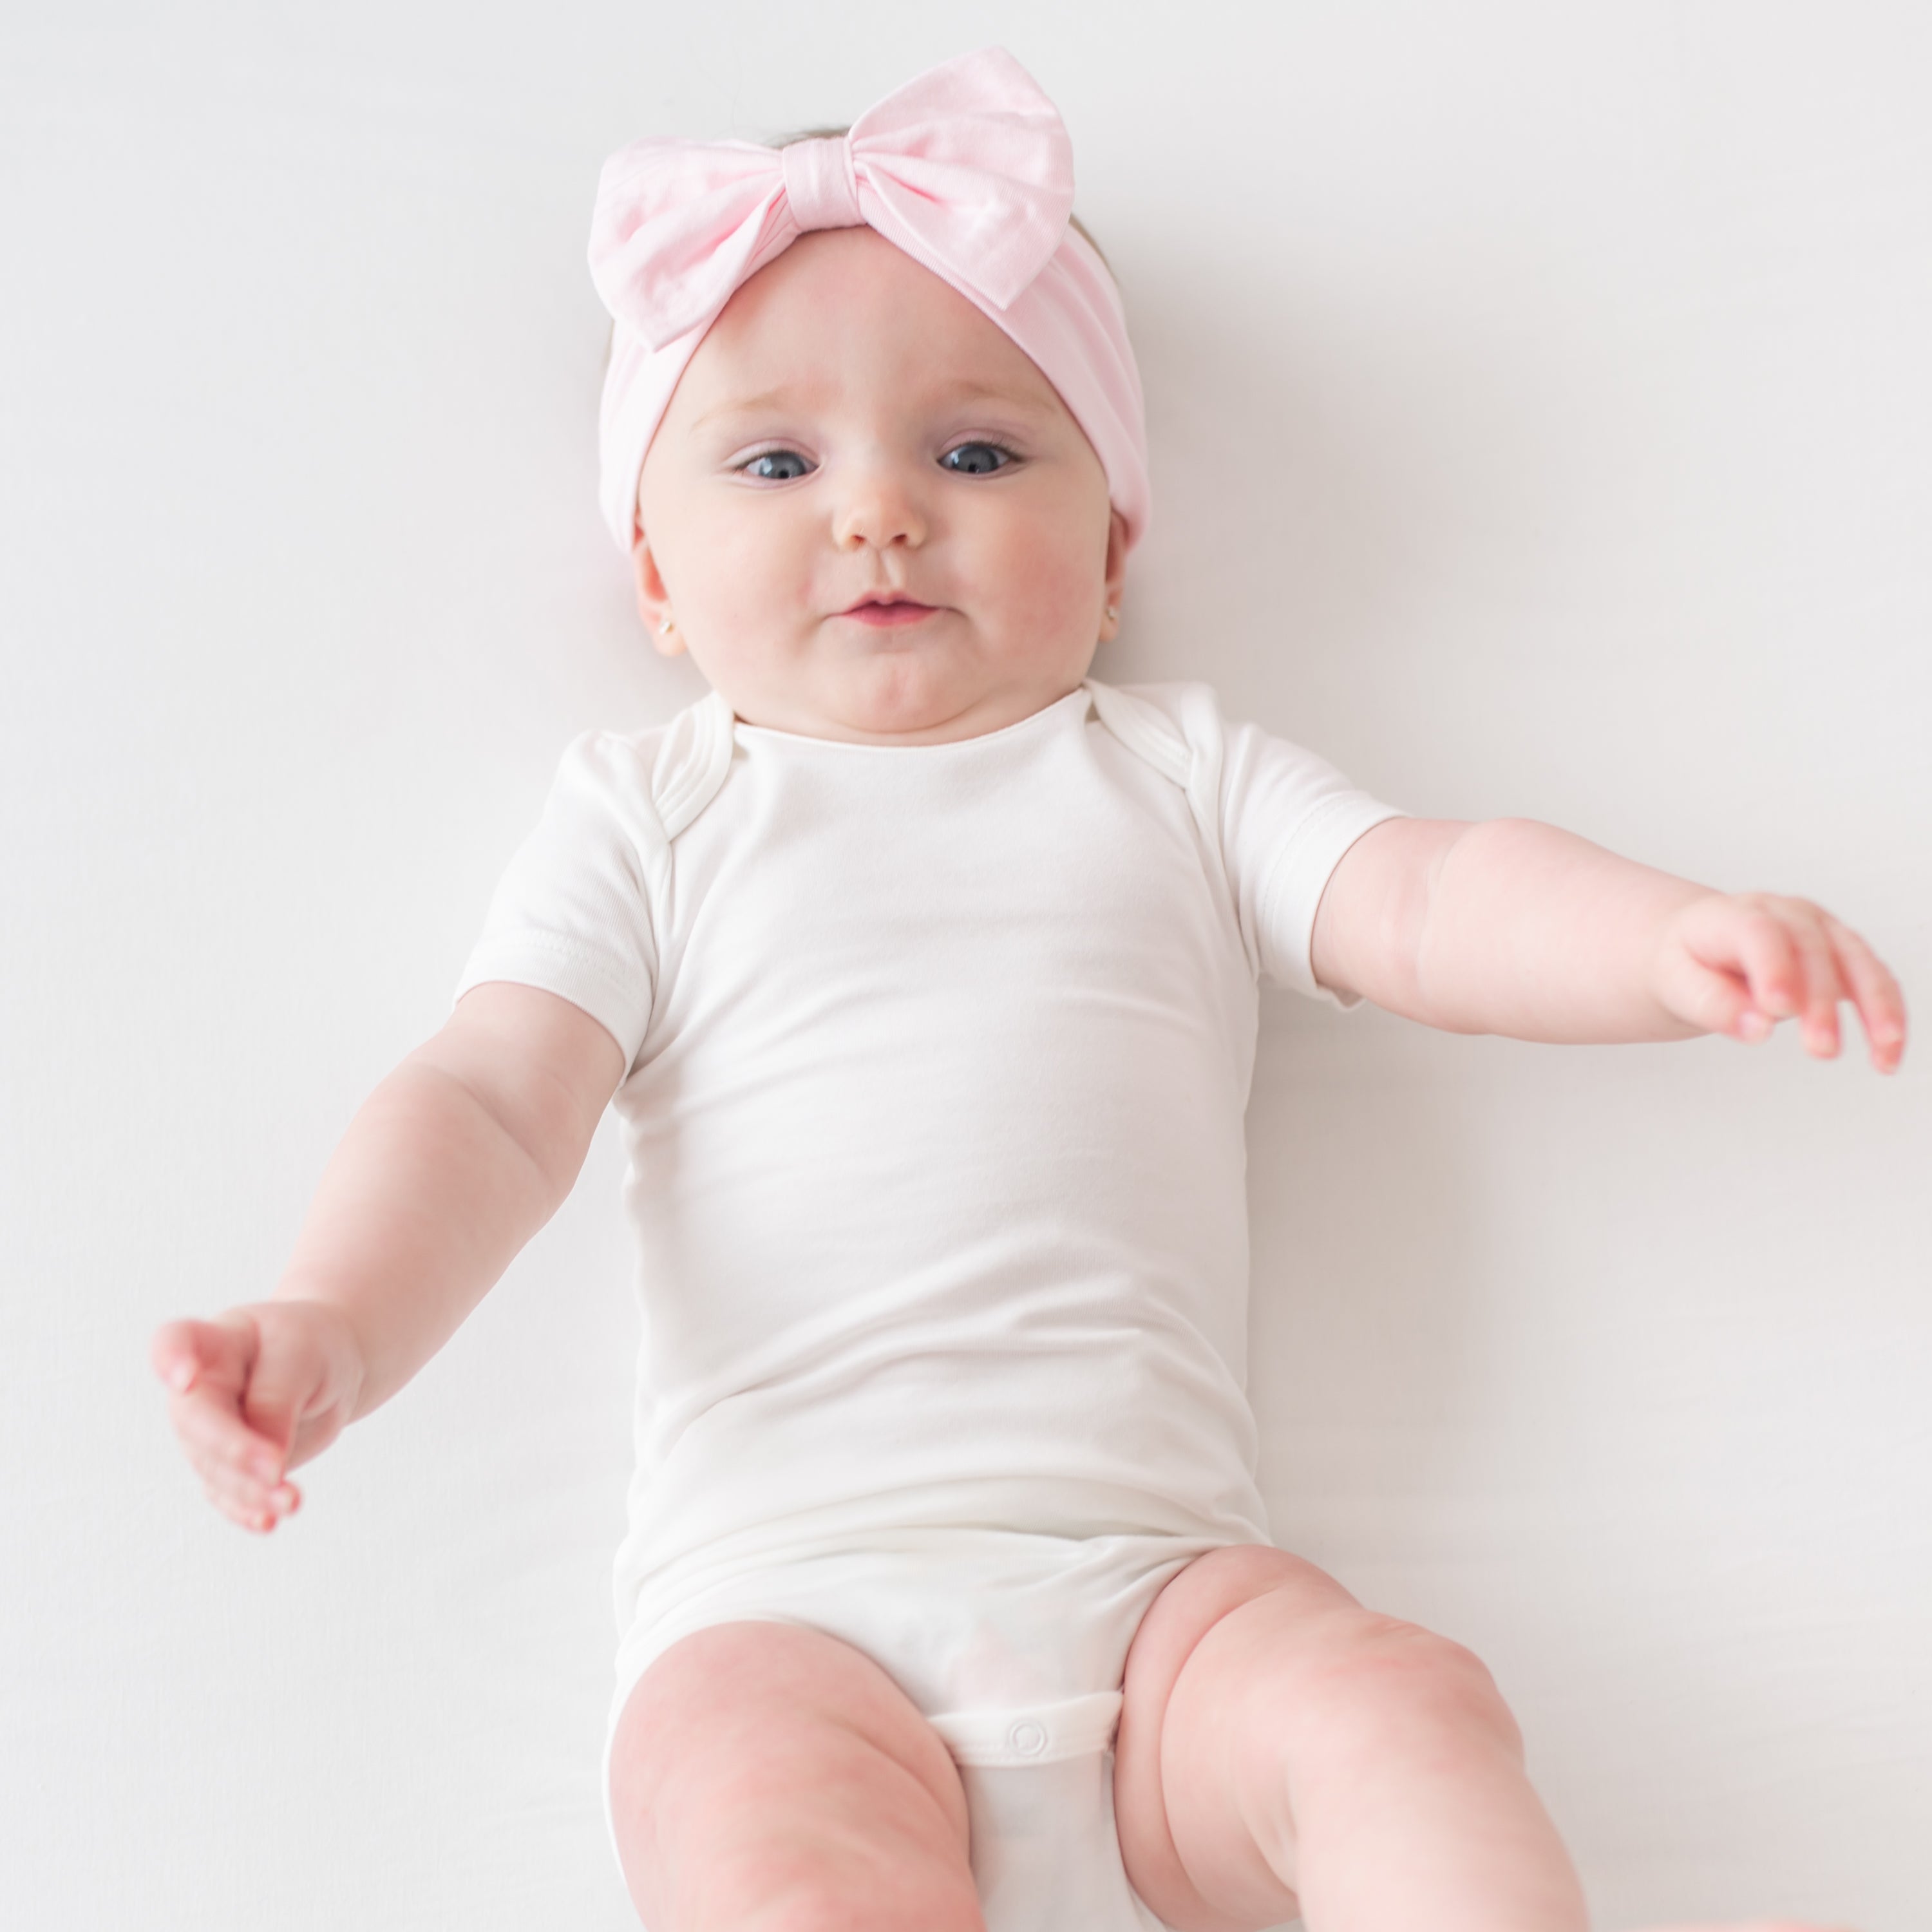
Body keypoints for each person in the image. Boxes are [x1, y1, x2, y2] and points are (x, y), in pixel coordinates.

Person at [150, 48, 1903, 1932]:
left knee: (1403, 1708)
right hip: (780, 1616)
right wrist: (336, 1315)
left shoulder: (1178, 775)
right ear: (656, 577)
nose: (879, 513)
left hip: (1166, 1605)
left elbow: (1429, 895)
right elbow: (492, 1101)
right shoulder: (653, 817)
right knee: (770, 1859)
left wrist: (1656, 944)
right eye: (774, 462)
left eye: (977, 452)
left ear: (1117, 549)